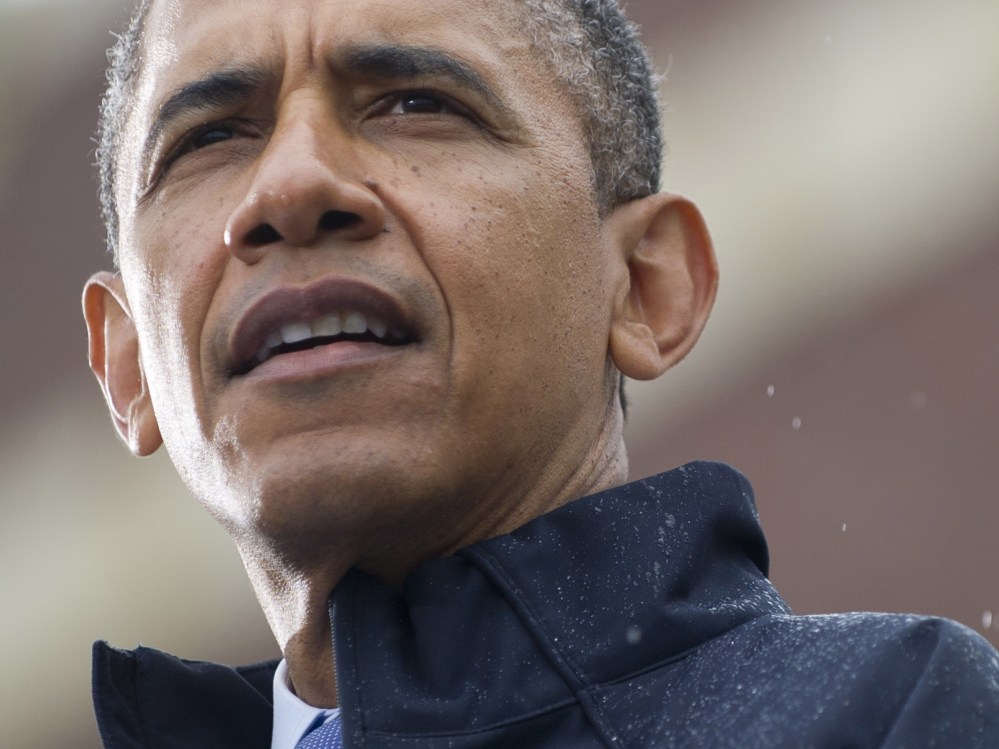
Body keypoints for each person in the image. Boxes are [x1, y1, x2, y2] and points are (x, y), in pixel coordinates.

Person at [82, 0, 999, 747]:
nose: (289, 188)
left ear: (644, 286)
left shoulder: (885, 716)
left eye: (414, 103)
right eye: (208, 139)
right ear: (127, 366)